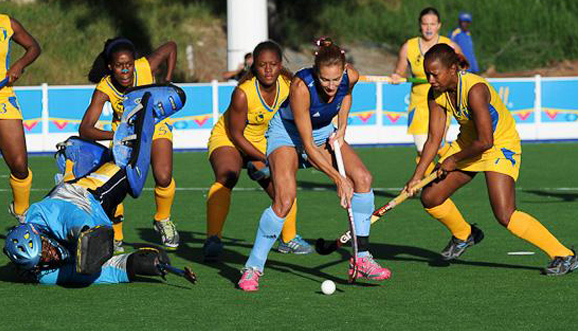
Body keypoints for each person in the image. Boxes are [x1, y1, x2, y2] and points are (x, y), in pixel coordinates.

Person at [403, 44, 577, 276]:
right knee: (431, 197)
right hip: (468, 144)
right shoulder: (435, 93)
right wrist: (416, 177)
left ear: (453, 69)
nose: (430, 79)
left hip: (499, 145)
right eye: (427, 74)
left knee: (505, 214)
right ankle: (465, 235)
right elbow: (434, 139)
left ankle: (564, 255)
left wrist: (452, 160)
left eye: (435, 73)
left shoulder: (475, 90)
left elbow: (486, 141)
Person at [238, 38, 391, 292]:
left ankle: (361, 259)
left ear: (343, 71)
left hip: (323, 131)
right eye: (324, 80)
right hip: (288, 134)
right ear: (316, 72)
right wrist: (338, 178)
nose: (331, 86)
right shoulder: (301, 86)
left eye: (335, 79)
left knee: (363, 179)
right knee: (284, 200)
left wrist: (342, 128)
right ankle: (252, 268)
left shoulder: (350, 76)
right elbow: (308, 147)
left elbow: (346, 96)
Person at [3, 86, 197, 285]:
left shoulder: (38, 216)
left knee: (128, 172)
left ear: (37, 234)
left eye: (44, 247)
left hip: (82, 196)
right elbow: (93, 272)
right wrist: (132, 266)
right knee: (120, 188)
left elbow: (67, 216)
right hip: (98, 215)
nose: (49, 255)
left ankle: (136, 105)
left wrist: (84, 230)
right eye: (42, 258)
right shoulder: (44, 274)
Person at [205, 41, 312, 261]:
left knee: (285, 185)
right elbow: (236, 134)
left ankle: (288, 239)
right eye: (262, 65)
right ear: (254, 65)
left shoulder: (289, 85)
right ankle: (213, 238)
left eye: (273, 64)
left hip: (264, 142)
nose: (268, 70)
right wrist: (264, 159)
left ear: (280, 64)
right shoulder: (243, 93)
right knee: (227, 176)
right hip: (230, 139)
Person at [80, 37, 179, 252]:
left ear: (134, 62)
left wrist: (167, 81)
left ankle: (163, 219)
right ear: (110, 67)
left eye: (128, 65)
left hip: (156, 124)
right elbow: (85, 128)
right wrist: (115, 135)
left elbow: (171, 46)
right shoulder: (104, 87)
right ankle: (116, 237)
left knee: (163, 175)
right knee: (119, 184)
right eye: (119, 66)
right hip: (125, 135)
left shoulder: (145, 66)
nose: (125, 70)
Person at [391, 7, 462, 175]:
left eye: (432, 24)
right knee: (422, 148)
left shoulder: (448, 45)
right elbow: (400, 71)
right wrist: (397, 76)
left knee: (438, 147)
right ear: (420, 25)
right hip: (419, 106)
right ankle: (426, 183)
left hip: (441, 102)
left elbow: (463, 67)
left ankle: (442, 178)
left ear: (439, 25)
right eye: (425, 24)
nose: (429, 28)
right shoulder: (409, 46)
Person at [0, 14, 41, 223]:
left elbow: (34, 47)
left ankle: (21, 211)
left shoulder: (7, 23)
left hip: (3, 96)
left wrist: (19, 65)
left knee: (19, 165)